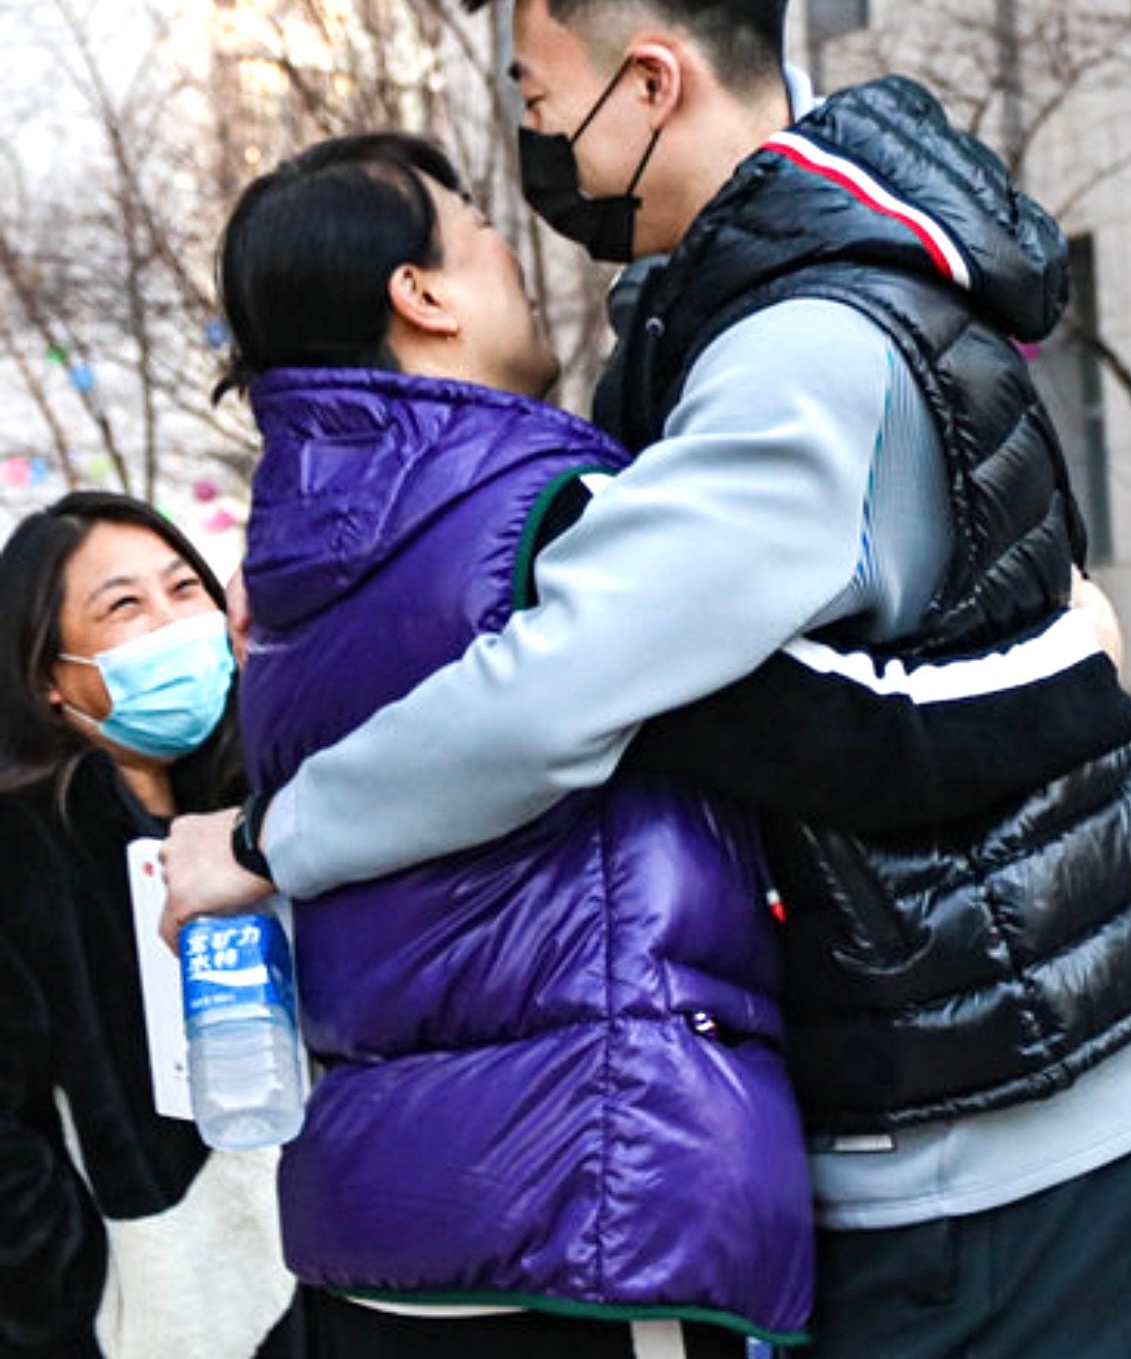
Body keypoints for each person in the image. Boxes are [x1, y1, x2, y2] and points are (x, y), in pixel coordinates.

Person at [163, 0, 1131, 1359]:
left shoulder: (795, 355)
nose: (539, 168)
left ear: (649, 83)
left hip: (985, 1123)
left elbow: (572, 691)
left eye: (540, 106)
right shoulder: (718, 323)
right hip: (936, 1086)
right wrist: (1065, 670)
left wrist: (269, 839)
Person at [191, 130, 814, 1358]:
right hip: (591, 1201)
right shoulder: (549, 509)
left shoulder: (294, 572)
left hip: (385, 1228)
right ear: (420, 295)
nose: (510, 251)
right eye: (477, 228)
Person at [0, 491, 298, 1359]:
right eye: (124, 604)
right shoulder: (25, 846)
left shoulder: (265, 811)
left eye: (184, 587)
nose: (173, 623)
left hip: (314, 1290)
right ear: (46, 674)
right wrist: (84, 1298)